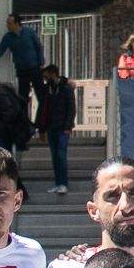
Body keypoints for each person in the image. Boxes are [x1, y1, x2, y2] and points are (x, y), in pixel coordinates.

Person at [0, 13, 46, 119]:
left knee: (42, 97)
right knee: (23, 99)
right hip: (22, 71)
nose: (7, 25)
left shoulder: (29, 32)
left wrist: (41, 63)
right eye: (7, 23)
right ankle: (24, 124)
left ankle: (42, 122)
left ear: (17, 24)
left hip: (35, 68)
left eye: (9, 23)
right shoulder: (8, 37)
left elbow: (38, 47)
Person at [36, 63, 77, 196]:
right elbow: (43, 109)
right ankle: (58, 183)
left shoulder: (65, 88)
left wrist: (67, 126)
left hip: (62, 129)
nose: (45, 78)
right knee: (55, 157)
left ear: (53, 73)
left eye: (46, 75)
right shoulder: (48, 89)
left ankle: (63, 183)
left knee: (61, 155)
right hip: (51, 128)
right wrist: (42, 129)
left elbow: (71, 109)